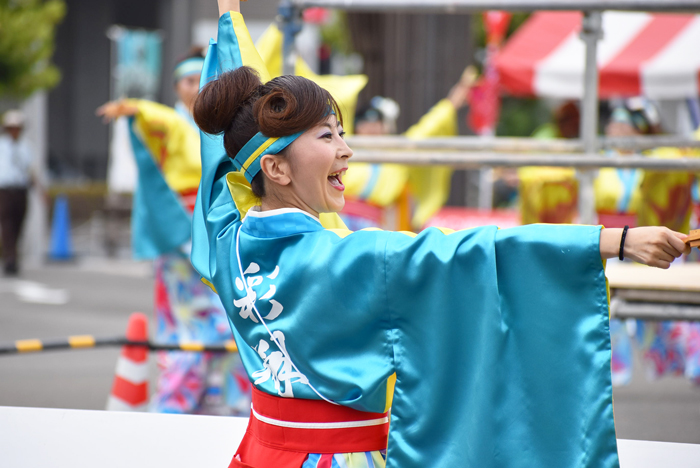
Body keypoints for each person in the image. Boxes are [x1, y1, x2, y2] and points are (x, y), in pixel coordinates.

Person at [193, 2, 692, 467]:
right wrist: (615, 242)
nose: (346, 150)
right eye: (327, 136)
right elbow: (473, 252)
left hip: (261, 452)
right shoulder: (354, 258)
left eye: (340, 133)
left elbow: (223, 146)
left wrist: (230, 19)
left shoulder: (227, 233)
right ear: (276, 168)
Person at [97, 50, 251, 416]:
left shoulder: (229, 126)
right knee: (191, 320)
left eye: (202, 80)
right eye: (187, 81)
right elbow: (158, 117)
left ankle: (233, 401)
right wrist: (135, 107)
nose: (195, 88)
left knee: (232, 315)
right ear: (175, 87)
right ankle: (178, 400)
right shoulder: (174, 122)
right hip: (183, 228)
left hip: (221, 227)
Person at [0, 110, 35, 276]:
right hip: (5, 190)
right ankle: (10, 259)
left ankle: (13, 255)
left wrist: (41, 191)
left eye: (17, 128)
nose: (15, 131)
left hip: (21, 190)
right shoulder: (1, 146)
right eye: (11, 128)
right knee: (7, 225)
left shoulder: (25, 147)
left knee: (18, 224)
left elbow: (30, 171)